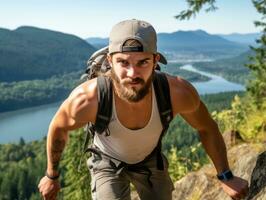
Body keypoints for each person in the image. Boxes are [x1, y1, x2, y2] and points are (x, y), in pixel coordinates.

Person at [38, 19, 249, 200]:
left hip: (150, 159)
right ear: (110, 61)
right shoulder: (88, 99)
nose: (132, 73)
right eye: (123, 62)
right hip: (106, 162)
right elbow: (58, 127)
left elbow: (207, 127)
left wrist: (226, 177)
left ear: (156, 61)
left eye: (142, 62)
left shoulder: (177, 93)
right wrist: (51, 176)